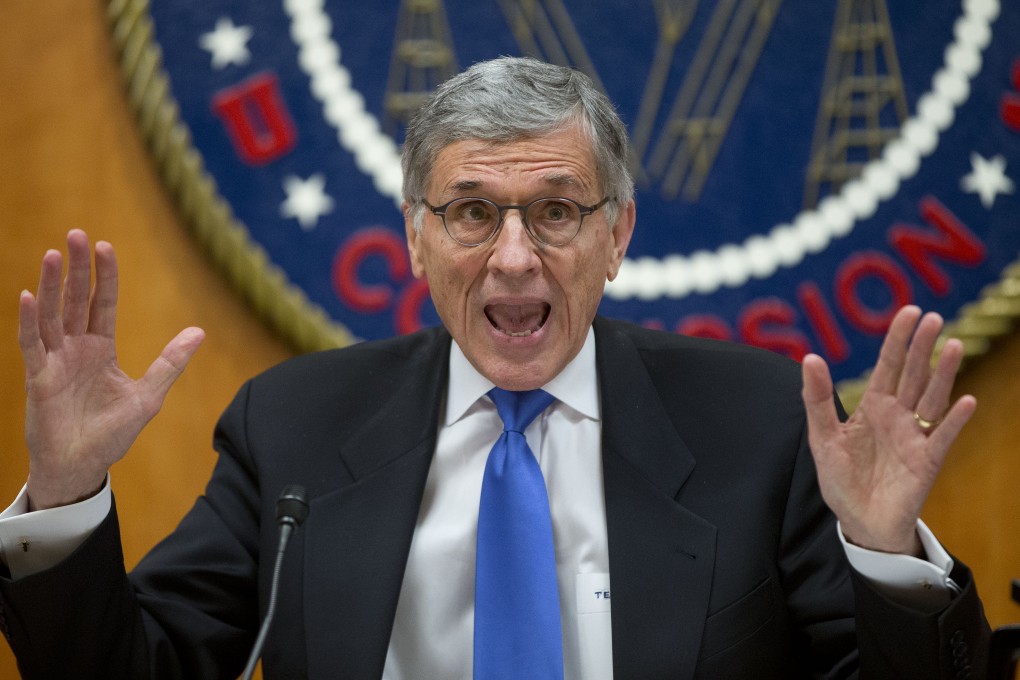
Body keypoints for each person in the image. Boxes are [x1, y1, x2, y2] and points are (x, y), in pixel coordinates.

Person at [0, 56, 990, 679]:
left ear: (618, 234)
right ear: (416, 238)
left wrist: (889, 558)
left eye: (556, 210)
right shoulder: (293, 424)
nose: (514, 256)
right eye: (473, 211)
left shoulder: (760, 424)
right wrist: (69, 490)